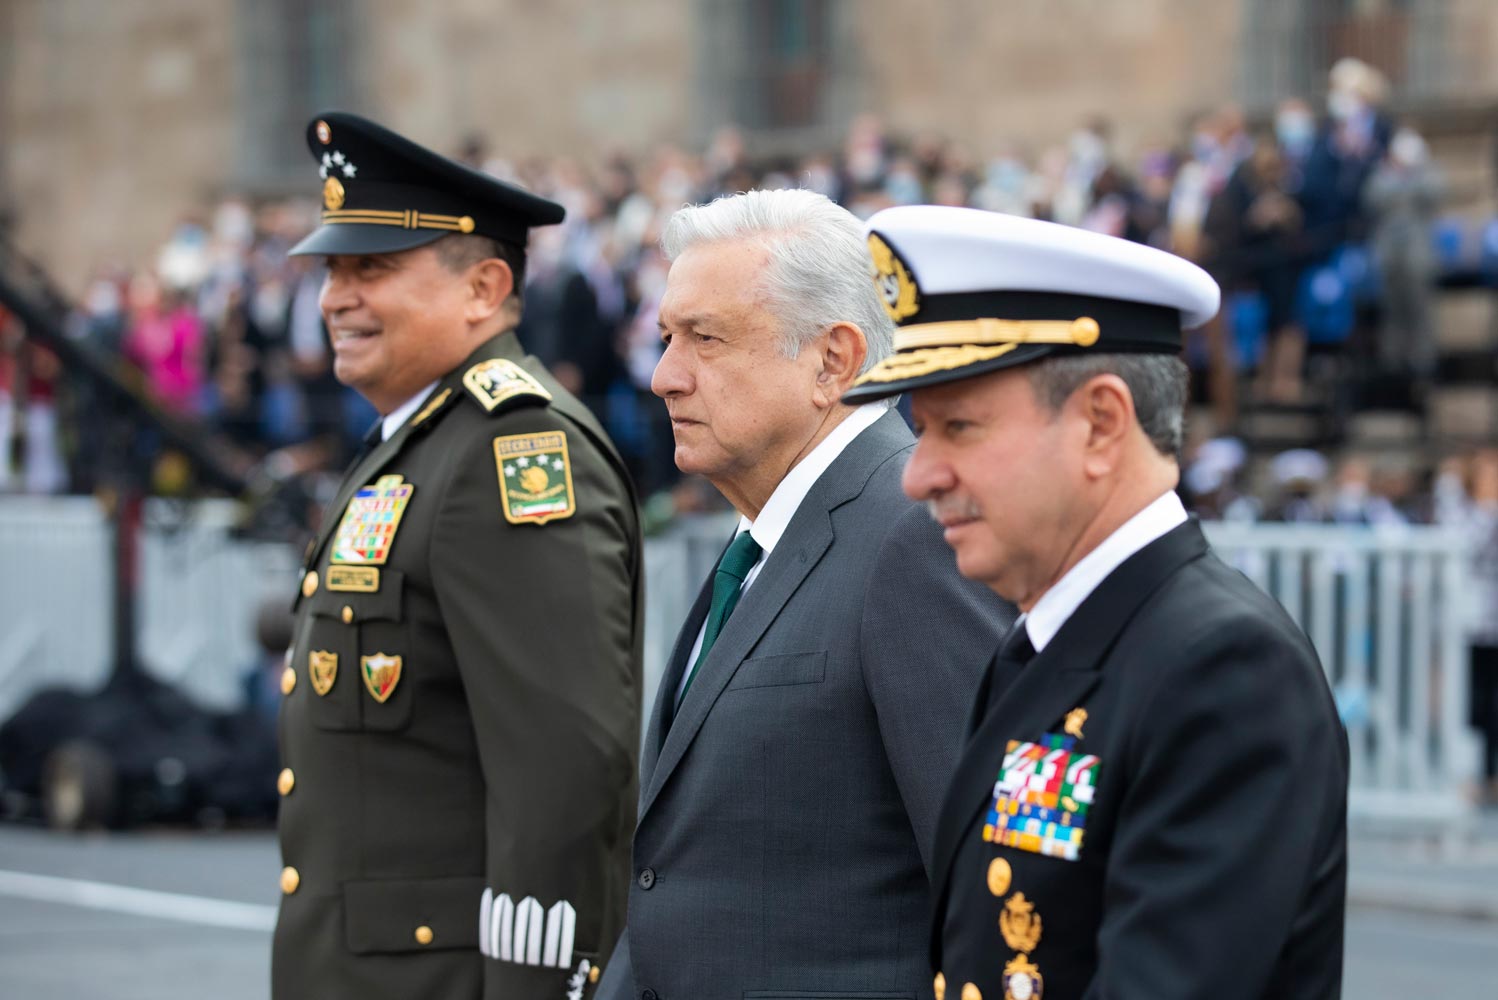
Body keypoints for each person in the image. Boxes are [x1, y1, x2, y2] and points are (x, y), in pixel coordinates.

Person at [842, 206, 1348, 1000]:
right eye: (922, 429)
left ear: (1102, 424)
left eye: (960, 428)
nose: (918, 475)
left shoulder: (1225, 667)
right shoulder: (1047, 642)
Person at [596, 190, 1014, 1000]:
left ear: (833, 360)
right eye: (668, 338)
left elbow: (989, 889)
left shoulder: (912, 536)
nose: (664, 377)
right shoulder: (765, 536)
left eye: (706, 338)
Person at [274, 112, 642, 1000]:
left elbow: (563, 770)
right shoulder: (419, 441)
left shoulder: (508, 452)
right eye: (331, 273)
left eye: (371, 270)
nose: (334, 300)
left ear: (484, 287)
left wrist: (535, 987)